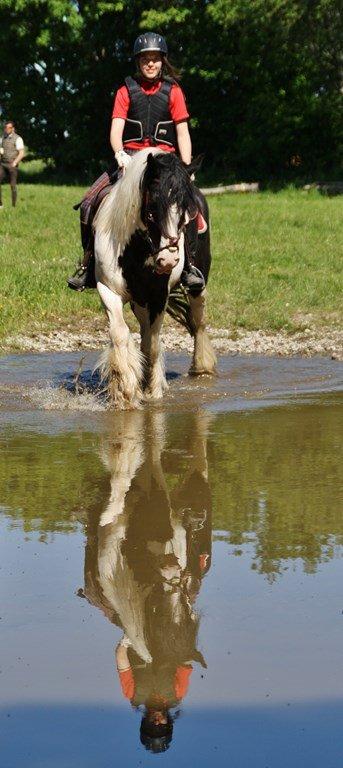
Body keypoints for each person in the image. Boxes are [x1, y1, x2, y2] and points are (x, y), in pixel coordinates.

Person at [68, 32, 206, 293]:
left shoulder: (174, 91)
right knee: (88, 204)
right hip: (129, 160)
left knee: (191, 208)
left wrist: (186, 168)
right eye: (145, 59)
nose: (150, 64)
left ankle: (188, 267)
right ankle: (88, 265)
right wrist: (119, 152)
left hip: (164, 164)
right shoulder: (125, 90)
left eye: (155, 59)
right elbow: (115, 130)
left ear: (162, 61)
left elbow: (183, 132)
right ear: (138, 61)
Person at [0, 121, 25, 208]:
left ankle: (13, 206)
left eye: (9, 128)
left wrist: (15, 163)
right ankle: (0, 205)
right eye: (5, 127)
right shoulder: (2, 138)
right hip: (2, 164)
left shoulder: (18, 139)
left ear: (13, 128)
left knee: (12, 185)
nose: (6, 129)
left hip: (12, 164)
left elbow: (21, 153)